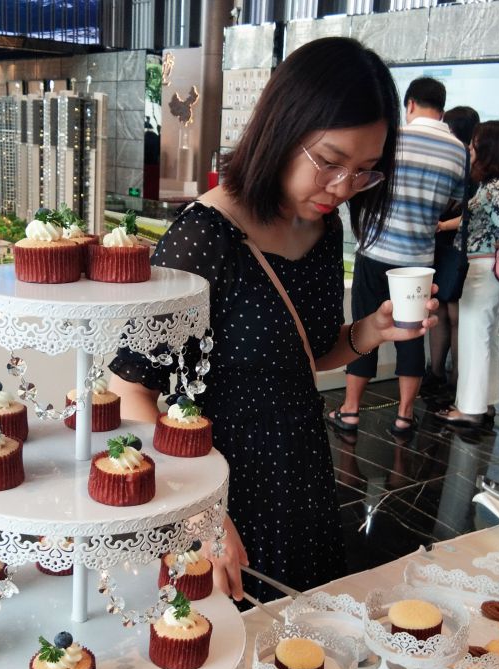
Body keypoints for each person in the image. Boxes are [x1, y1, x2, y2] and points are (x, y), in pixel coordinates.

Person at [109, 37, 438, 601]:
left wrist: (371, 331)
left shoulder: (323, 227)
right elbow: (129, 391)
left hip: (301, 475)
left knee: (302, 634)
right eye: (330, 162)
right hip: (217, 486)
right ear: (283, 129)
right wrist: (196, 509)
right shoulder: (205, 238)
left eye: (364, 171)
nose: (342, 188)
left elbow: (306, 354)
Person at [326, 78, 465, 437]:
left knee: (364, 327)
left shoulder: (395, 139)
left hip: (377, 250)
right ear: (442, 109)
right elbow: (452, 201)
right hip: (419, 259)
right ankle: (404, 415)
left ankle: (351, 410)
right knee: (411, 333)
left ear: (410, 104)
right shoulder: (457, 150)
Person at [433, 120, 499, 428]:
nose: (470, 148)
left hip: (483, 270)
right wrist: (441, 225)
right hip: (481, 269)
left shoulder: (497, 190)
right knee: (486, 337)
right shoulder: (494, 187)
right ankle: (485, 403)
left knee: (474, 338)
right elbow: (471, 218)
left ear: (488, 148)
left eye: (475, 143)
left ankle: (469, 409)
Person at [422, 105, 481, 400]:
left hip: (452, 247)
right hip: (454, 249)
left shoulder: (463, 167)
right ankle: (446, 376)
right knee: (448, 312)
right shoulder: (470, 166)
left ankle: (445, 375)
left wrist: (442, 224)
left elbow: (470, 213)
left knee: (448, 312)